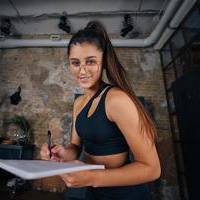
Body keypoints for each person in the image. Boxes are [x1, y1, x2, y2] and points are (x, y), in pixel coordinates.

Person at [40, 20, 161, 200]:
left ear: (103, 61)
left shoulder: (116, 100)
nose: (82, 70)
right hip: (94, 191)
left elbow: (152, 169)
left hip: (124, 194)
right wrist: (63, 154)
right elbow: (75, 145)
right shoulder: (79, 103)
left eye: (90, 61)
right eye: (75, 62)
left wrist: (92, 177)